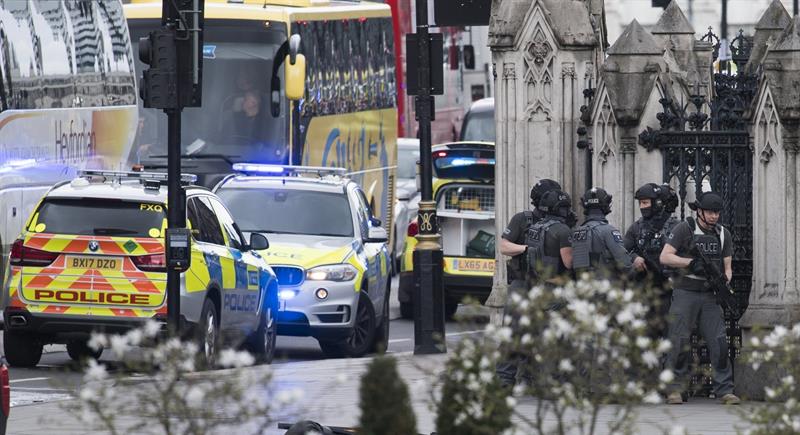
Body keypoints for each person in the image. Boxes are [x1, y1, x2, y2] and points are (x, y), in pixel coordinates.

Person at [660, 191, 740, 405]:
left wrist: (723, 281)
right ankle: (675, 389)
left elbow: (727, 267)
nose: (714, 216)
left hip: (710, 294)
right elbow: (665, 256)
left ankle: (725, 389)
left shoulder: (724, 234)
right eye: (710, 212)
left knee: (719, 342)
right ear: (700, 211)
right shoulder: (684, 229)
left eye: (717, 212)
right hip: (685, 291)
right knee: (679, 340)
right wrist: (689, 263)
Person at [495, 186, 573, 388]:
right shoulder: (523, 219)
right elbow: (504, 246)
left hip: (546, 284)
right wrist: (527, 249)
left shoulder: (561, 223)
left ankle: (531, 377)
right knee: (514, 330)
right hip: (522, 282)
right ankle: (504, 379)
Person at [624, 183, 677, 337]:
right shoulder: (636, 227)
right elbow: (622, 251)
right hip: (645, 290)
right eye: (640, 203)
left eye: (646, 202)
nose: (642, 206)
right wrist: (634, 258)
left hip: (669, 290)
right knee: (645, 336)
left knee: (670, 335)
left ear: (657, 202)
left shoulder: (675, 225)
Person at [571, 187, 632, 278]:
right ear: (606, 205)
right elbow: (625, 263)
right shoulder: (609, 231)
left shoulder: (576, 232)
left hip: (583, 287)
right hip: (606, 286)